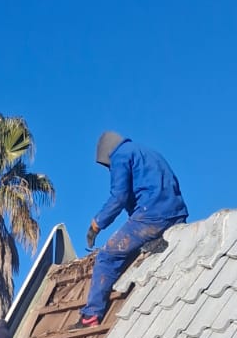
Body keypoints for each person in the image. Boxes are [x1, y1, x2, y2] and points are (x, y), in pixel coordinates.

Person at [79, 132, 188, 326]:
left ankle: (91, 315)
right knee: (145, 248)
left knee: (106, 256)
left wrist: (97, 223)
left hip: (151, 217)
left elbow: (119, 197)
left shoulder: (120, 156)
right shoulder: (147, 152)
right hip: (176, 214)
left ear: (106, 155)